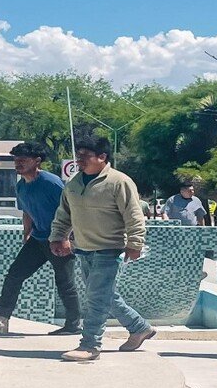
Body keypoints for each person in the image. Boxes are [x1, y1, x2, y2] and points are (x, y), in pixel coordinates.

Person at [49, 135, 155, 362]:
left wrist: (135, 243)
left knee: (96, 298)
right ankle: (139, 328)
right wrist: (58, 237)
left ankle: (90, 345)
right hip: (83, 249)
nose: (79, 160)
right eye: (78, 156)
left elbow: (134, 216)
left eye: (85, 156)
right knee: (105, 296)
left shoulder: (119, 182)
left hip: (110, 249)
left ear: (102, 157)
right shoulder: (74, 182)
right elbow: (64, 213)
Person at [0, 142, 81, 336]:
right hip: (38, 239)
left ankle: (73, 325)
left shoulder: (51, 182)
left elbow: (71, 209)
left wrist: (67, 237)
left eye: (23, 160)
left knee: (65, 282)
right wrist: (26, 234)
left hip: (60, 238)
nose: (18, 163)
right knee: (14, 275)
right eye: (16, 160)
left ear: (37, 161)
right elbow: (27, 212)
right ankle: (0, 319)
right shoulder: (21, 186)